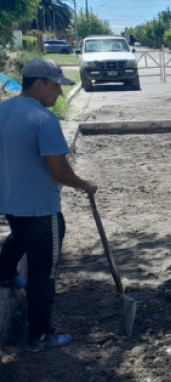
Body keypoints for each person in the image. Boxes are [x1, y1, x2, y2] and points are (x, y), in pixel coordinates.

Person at [0, 58, 97, 352]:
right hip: (41, 208)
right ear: (40, 83)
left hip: (11, 201)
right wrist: (84, 184)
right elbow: (59, 170)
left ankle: (5, 273)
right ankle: (40, 335)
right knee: (44, 273)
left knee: (19, 236)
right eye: (56, 86)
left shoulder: (3, 110)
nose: (60, 93)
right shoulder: (44, 119)